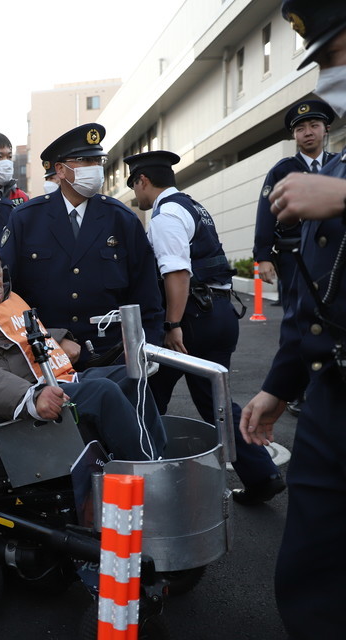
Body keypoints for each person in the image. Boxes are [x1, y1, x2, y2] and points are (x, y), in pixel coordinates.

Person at [241, 4, 346, 637]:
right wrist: (280, 387)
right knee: (309, 575)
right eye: (326, 61)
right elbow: (315, 304)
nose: (330, 75)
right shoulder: (324, 173)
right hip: (331, 397)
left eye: (338, 54)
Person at [0, 234, 166, 461]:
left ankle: (159, 457)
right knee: (104, 392)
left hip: (58, 380)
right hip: (20, 404)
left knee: (131, 376)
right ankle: (145, 473)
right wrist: (30, 397)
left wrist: (59, 338)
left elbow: (15, 336)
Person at [124, 150, 283, 504]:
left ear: (144, 180)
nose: (137, 195)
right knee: (215, 400)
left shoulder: (165, 216)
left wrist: (173, 325)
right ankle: (262, 475)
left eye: (135, 186)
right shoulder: (194, 206)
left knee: (147, 395)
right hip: (220, 313)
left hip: (192, 319)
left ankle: (138, 479)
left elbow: (177, 273)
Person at [0, 124, 164, 368]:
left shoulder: (121, 219)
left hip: (113, 355)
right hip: (46, 355)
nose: (95, 169)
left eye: (98, 160)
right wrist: (51, 336)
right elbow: (7, 292)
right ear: (60, 170)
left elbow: (147, 296)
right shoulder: (26, 219)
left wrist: (145, 349)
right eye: (84, 160)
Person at [253, 99, 336, 313]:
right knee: (297, 313)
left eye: (314, 126)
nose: (307, 132)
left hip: (336, 252)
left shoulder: (339, 166)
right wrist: (263, 257)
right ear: (294, 135)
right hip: (295, 255)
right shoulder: (282, 170)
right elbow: (266, 214)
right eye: (300, 129)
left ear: (326, 129)